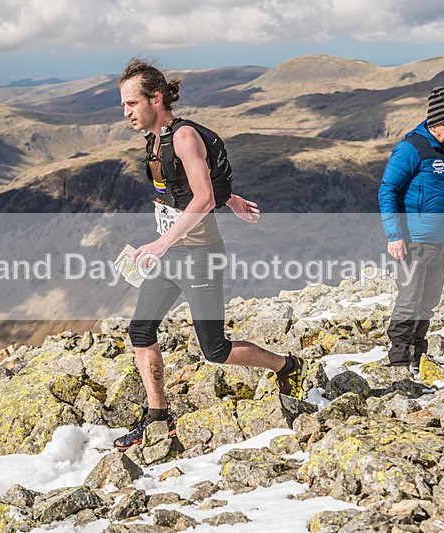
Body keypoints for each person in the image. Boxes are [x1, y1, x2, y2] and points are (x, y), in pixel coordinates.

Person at [114, 58, 306, 451]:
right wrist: (230, 198)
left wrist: (161, 243)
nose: (126, 113)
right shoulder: (157, 139)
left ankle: (287, 366)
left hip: (198, 257)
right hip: (170, 257)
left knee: (215, 350)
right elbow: (189, 188)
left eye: (132, 104)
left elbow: (201, 198)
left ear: (156, 97)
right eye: (123, 106)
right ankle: (157, 418)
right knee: (140, 331)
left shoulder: (183, 136)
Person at [379, 86, 444, 369]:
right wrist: (395, 236)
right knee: (409, 302)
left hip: (441, 242)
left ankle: (419, 356)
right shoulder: (411, 149)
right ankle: (398, 360)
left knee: (428, 303)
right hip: (414, 242)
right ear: (435, 124)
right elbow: (388, 190)